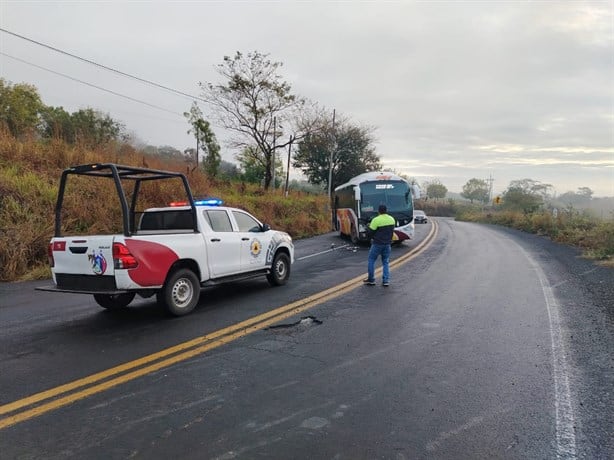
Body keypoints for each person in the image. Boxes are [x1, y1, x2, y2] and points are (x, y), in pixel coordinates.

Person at [363, 204, 395, 287]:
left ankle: (371, 279)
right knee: (385, 262)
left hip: (377, 244)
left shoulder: (376, 220)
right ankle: (386, 280)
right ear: (386, 210)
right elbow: (391, 231)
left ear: (379, 211)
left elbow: (370, 232)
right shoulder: (392, 219)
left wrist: (368, 228)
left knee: (371, 260)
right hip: (387, 244)